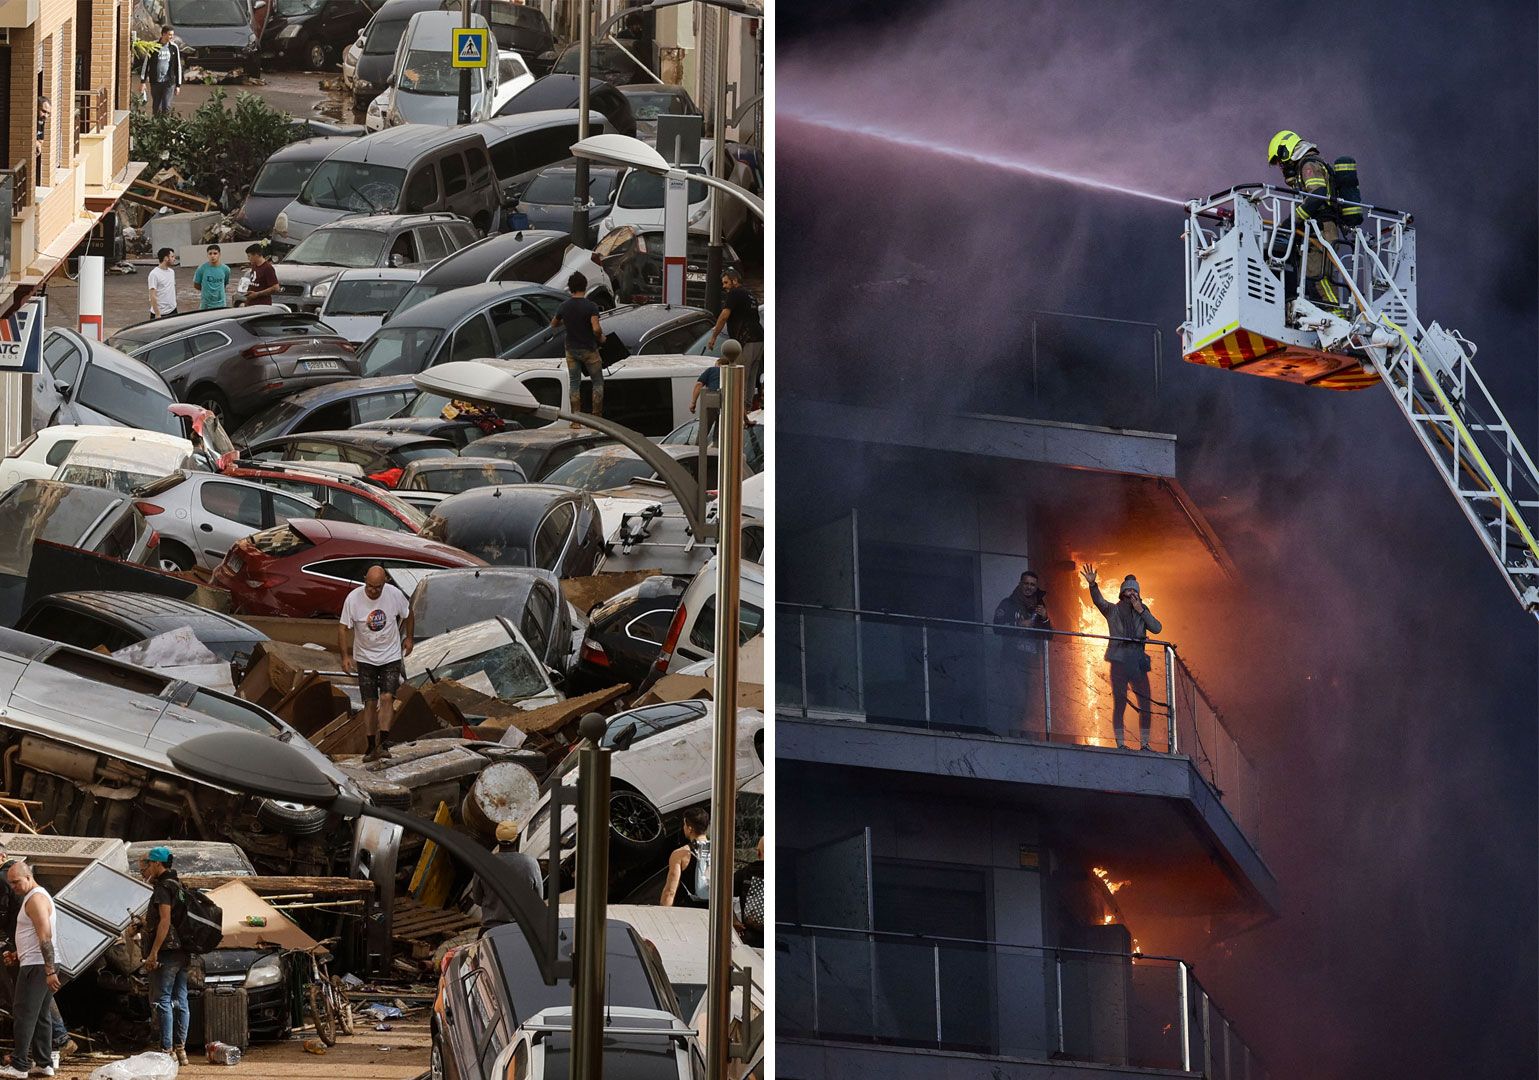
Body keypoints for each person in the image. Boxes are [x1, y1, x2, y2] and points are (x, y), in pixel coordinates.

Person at [0, 853, 71, 1074]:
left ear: (28, 877)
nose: (12, 887)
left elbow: (45, 936)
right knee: (41, 1015)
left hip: (38, 966)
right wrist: (18, 953)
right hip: (34, 962)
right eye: (10, 883)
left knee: (23, 1013)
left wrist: (49, 971)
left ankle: (20, 1064)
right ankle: (43, 1063)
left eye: (16, 882)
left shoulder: (36, 899)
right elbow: (32, 937)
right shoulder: (32, 897)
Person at [1080, 564, 1162, 751]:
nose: (1132, 593)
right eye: (1129, 589)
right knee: (1120, 702)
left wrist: (1141, 610)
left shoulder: (1143, 610)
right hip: (1119, 660)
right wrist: (1093, 585)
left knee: (1145, 704)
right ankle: (1121, 743)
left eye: (1135, 590)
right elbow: (1100, 602)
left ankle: (1145, 744)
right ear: (1122, 592)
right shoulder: (1113, 611)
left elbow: (1157, 628)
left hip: (1138, 662)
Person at [339, 565, 414, 762]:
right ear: (365, 580)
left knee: (387, 697)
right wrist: (345, 656)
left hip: (390, 655)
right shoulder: (353, 599)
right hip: (365, 658)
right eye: (370, 586)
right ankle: (371, 745)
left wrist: (409, 638)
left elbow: (409, 613)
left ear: (385, 583)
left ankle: (384, 742)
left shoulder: (394, 595)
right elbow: (342, 628)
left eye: (378, 587)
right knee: (370, 703)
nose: (373, 591)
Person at [1267, 130, 1343, 313]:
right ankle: (1328, 316)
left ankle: (1336, 317)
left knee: (1318, 279)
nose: (1281, 166)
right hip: (1318, 231)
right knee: (1312, 278)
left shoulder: (1308, 165)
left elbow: (1317, 194)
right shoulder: (1307, 165)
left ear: (1287, 151)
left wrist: (1293, 220)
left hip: (1322, 231)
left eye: (1280, 161)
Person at [138, 847, 190, 1066]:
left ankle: (166, 1050)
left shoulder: (162, 888)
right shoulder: (179, 885)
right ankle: (181, 1051)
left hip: (167, 952)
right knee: (182, 999)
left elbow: (165, 921)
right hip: (183, 952)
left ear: (158, 864)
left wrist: (154, 952)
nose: (146, 868)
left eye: (148, 864)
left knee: (163, 1000)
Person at [989, 570, 1053, 734]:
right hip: (1012, 662)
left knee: (1030, 706)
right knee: (1018, 700)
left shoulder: (1040, 608)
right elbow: (997, 627)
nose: (1029, 587)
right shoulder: (1008, 604)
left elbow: (1049, 636)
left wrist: (1045, 618)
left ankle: (1026, 740)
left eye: (1032, 584)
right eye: (1026, 583)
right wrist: (1019, 624)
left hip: (1032, 664)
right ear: (1020, 584)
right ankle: (1015, 739)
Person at [553, 272, 606, 424]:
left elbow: (553, 324)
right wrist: (601, 338)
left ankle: (576, 420)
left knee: (574, 383)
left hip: (571, 350)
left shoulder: (564, 306)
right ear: (585, 286)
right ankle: (597, 419)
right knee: (597, 383)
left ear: (570, 288)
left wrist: (567, 322)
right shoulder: (591, 306)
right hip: (589, 350)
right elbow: (596, 329)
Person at [706, 267, 763, 404]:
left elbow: (724, 315)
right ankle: (747, 406)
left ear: (735, 280)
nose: (724, 286)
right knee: (750, 377)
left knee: (740, 376)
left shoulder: (735, 293)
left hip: (746, 340)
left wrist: (714, 337)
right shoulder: (750, 295)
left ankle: (740, 409)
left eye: (726, 283)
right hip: (759, 340)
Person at [469, 821, 524, 931]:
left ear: (496, 839)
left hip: (491, 928)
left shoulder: (483, 864)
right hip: (522, 928)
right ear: (517, 839)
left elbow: (477, 899)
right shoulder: (530, 864)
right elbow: (537, 898)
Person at [660, 807, 710, 908]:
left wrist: (663, 912)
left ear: (689, 828)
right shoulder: (720, 852)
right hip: (714, 912)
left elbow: (670, 891)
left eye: (684, 824)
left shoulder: (680, 854)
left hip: (688, 911)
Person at [138, 26, 184, 117]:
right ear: (163, 34)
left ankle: (165, 125)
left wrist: (178, 85)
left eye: (172, 35)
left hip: (168, 82)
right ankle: (156, 125)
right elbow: (146, 64)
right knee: (156, 106)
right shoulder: (153, 46)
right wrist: (143, 81)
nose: (171, 37)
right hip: (155, 81)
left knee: (166, 106)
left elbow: (178, 66)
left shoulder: (174, 47)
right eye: (170, 35)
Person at [732, 836, 764, 947]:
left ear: (758, 853)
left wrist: (734, 919)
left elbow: (723, 896)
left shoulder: (747, 872)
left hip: (751, 937)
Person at [192, 245, 230, 310]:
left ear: (219, 254)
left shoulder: (226, 269)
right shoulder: (201, 269)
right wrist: (206, 290)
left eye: (215, 253)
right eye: (210, 254)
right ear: (207, 255)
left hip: (221, 304)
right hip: (206, 305)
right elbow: (196, 285)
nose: (212, 256)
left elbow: (224, 284)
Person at [147, 248, 178, 320]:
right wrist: (158, 314)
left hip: (173, 310)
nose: (174, 259)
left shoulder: (171, 272)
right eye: (172, 257)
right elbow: (152, 296)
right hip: (160, 313)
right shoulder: (154, 274)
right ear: (166, 258)